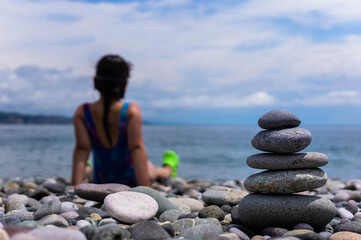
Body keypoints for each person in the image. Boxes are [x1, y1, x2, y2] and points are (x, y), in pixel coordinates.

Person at [71, 54, 179, 187]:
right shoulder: (130, 110)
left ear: (95, 81)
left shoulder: (82, 112)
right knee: (154, 170)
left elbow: (82, 148)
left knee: (90, 172)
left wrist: (75, 188)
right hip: (131, 179)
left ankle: (86, 168)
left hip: (102, 178)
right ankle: (169, 168)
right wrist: (145, 190)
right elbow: (136, 149)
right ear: (125, 83)